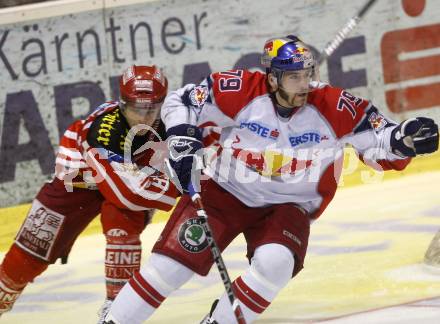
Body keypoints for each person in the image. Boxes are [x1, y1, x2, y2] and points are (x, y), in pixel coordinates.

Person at [102, 36, 439, 324]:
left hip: (289, 204)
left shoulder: (334, 106)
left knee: (276, 264)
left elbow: (381, 140)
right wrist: (181, 136)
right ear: (273, 78)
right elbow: (184, 100)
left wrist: (405, 139)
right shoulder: (240, 89)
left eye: (307, 74)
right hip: (225, 191)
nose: (304, 84)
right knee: (171, 266)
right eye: (294, 77)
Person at [0, 65, 178, 320]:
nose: (144, 117)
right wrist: (175, 186)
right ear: (122, 102)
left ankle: (118, 309)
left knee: (122, 226)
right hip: (78, 178)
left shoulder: (172, 118)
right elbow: (126, 193)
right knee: (28, 255)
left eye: (152, 108)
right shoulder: (103, 132)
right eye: (136, 108)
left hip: (127, 176)